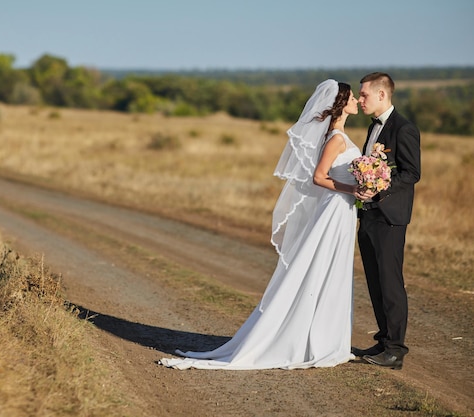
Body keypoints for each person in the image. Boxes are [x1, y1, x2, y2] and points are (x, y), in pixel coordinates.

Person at [159, 80, 362, 370]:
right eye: (353, 97)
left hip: (340, 211)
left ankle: (322, 337)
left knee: (329, 270)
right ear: (341, 104)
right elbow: (319, 177)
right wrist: (352, 189)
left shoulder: (335, 136)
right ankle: (312, 340)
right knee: (321, 268)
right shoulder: (337, 139)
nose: (357, 101)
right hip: (335, 210)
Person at [352, 72, 421, 370]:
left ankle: (395, 350)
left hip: (390, 217)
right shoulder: (373, 129)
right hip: (368, 215)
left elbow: (411, 173)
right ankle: (383, 340)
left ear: (382, 95)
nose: (360, 99)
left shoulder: (404, 129)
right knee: (375, 281)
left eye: (364, 94)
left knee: (391, 283)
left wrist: (380, 186)